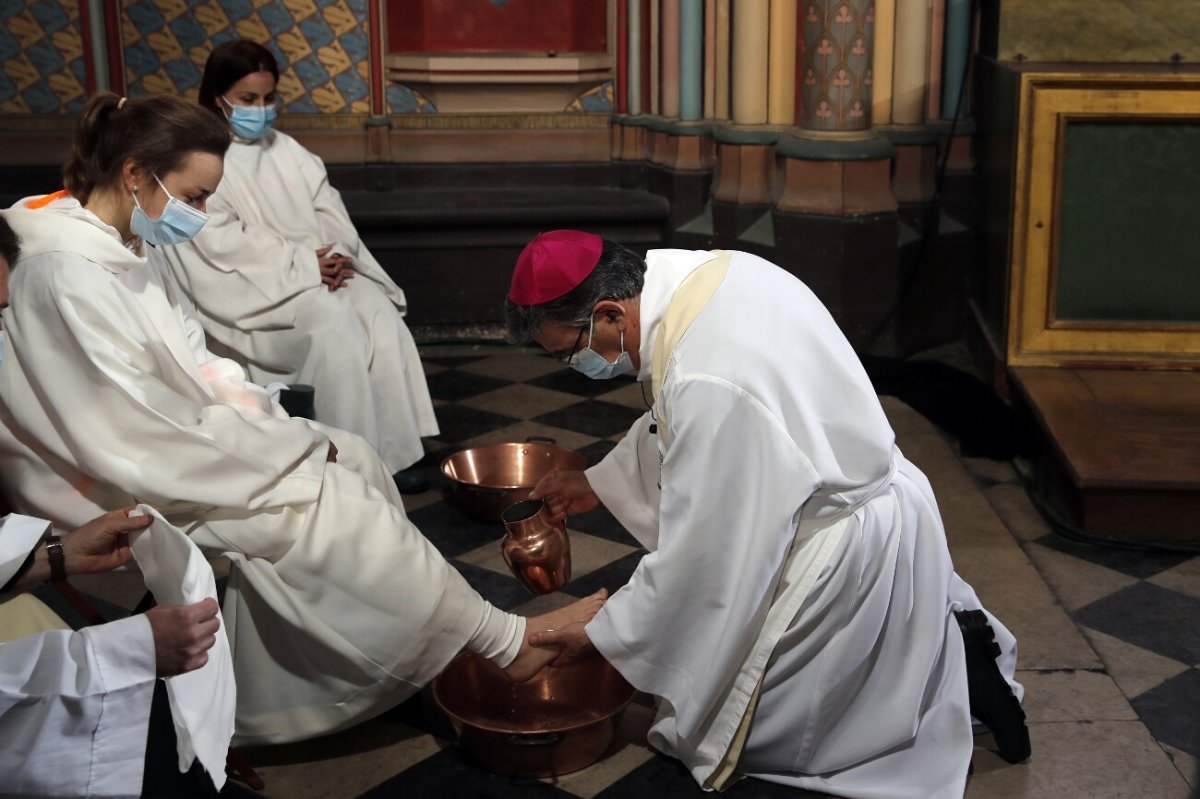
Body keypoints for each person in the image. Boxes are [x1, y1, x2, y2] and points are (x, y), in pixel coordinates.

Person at [0, 94, 605, 747]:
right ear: (134, 174)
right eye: (194, 196)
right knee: (323, 502)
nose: (200, 216)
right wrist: (279, 449)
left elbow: (197, 362)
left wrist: (270, 419)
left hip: (179, 441)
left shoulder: (121, 245)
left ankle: (347, 672)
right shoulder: (60, 272)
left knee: (355, 454)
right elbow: (126, 432)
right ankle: (500, 641)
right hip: (109, 476)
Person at [505, 231, 1030, 799]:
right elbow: (683, 425)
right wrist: (599, 482)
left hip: (838, 549)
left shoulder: (707, 376)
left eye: (569, 351)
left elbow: (710, 556)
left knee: (752, 732)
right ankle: (953, 642)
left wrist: (607, 630)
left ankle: (942, 663)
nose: (574, 365)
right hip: (860, 490)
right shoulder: (703, 278)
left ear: (609, 312)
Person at [155, 40, 436, 492]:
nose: (261, 109)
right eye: (248, 100)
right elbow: (220, 237)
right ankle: (345, 459)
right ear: (217, 97)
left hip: (317, 272)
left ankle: (396, 452)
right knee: (332, 321)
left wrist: (337, 254)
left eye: (269, 98)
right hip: (259, 294)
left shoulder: (289, 151)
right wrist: (305, 265)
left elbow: (329, 209)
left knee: (373, 305)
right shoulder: (198, 157)